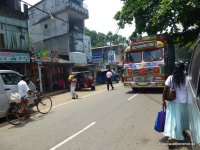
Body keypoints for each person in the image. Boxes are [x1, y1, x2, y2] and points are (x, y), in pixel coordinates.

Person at [162, 62, 189, 146]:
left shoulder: (170, 78)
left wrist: (163, 101)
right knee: (182, 118)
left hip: (173, 102)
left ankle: (171, 138)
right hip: (184, 103)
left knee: (172, 120)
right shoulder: (187, 78)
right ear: (183, 69)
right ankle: (183, 131)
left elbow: (165, 90)